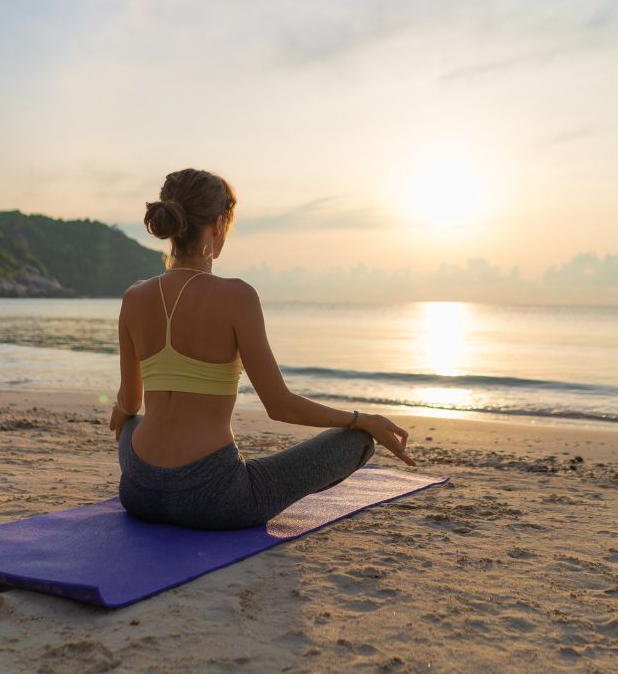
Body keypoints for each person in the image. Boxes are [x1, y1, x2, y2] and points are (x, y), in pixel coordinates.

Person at [109, 168, 415, 529]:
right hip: (215, 500)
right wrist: (360, 419)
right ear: (219, 225)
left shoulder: (134, 297)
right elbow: (280, 405)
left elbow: (129, 403)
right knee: (358, 442)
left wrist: (122, 413)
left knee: (134, 423)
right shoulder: (237, 297)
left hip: (140, 492)